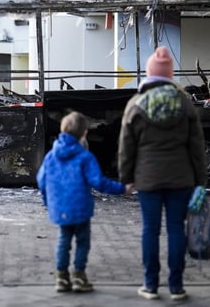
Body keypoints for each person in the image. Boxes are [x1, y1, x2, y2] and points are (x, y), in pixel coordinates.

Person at [117, 46, 207, 301]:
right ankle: (176, 287)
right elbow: (197, 146)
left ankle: (150, 285)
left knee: (150, 230)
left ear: (149, 74)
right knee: (177, 229)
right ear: (170, 75)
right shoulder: (185, 103)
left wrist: (126, 178)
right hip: (181, 179)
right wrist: (200, 181)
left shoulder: (135, 105)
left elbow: (126, 146)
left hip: (148, 179)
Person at [37, 111, 132, 293]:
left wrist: (48, 202)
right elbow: (98, 182)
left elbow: (42, 181)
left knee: (63, 241)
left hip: (60, 208)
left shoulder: (51, 156)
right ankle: (79, 276)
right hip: (81, 208)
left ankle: (61, 278)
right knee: (82, 242)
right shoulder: (85, 157)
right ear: (84, 133)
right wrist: (122, 189)